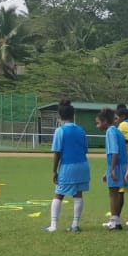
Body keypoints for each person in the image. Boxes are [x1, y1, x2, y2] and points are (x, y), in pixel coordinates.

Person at [45, 100, 90, 233]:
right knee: (78, 194)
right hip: (83, 165)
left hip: (68, 166)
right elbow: (85, 150)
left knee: (59, 194)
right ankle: (75, 225)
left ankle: (53, 225)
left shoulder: (60, 131)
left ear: (60, 115)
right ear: (73, 114)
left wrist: (54, 171)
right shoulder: (81, 130)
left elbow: (57, 152)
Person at [99, 108, 128, 229]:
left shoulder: (110, 132)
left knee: (113, 194)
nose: (97, 125)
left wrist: (111, 169)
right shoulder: (116, 130)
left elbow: (114, 151)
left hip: (116, 165)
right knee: (116, 193)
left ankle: (114, 222)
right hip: (120, 165)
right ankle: (116, 221)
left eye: (98, 123)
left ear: (105, 121)